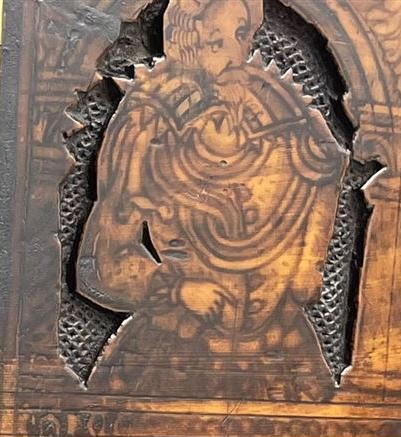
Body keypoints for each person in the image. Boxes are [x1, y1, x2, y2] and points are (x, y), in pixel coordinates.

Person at [74, 0, 347, 399]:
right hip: (174, 349)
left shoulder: (281, 116)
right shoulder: (148, 120)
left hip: (279, 350)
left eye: (243, 36)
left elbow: (327, 174)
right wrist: (178, 291)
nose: (236, 53)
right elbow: (100, 263)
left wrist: (301, 266)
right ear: (186, 34)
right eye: (218, 39)